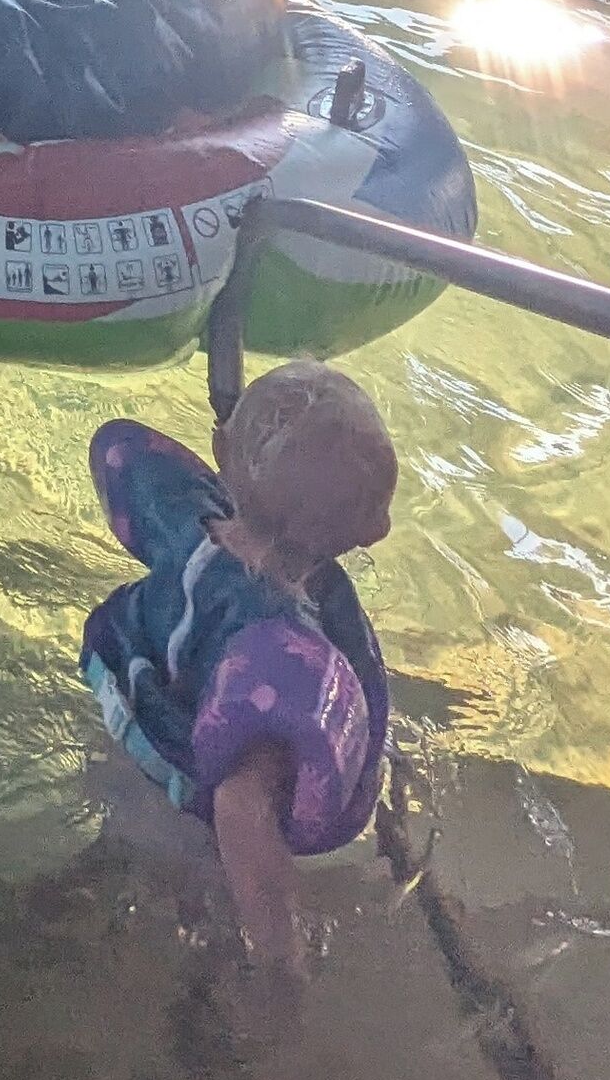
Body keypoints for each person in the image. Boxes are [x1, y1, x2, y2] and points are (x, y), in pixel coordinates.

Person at [81, 360, 397, 974]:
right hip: (188, 806)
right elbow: (242, 806)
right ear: (368, 532)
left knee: (105, 866)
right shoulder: (278, 658)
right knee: (180, 903)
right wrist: (282, 966)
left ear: (220, 452)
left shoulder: (187, 526)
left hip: (139, 701)